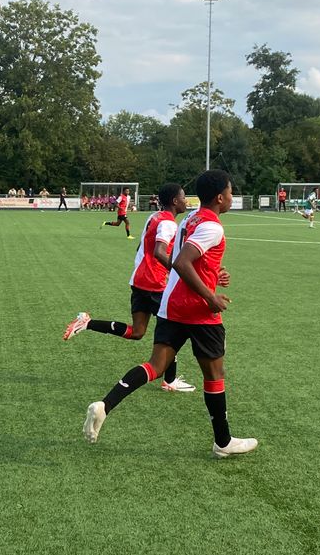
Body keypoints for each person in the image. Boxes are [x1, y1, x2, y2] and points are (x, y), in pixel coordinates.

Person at [81, 170, 257, 458]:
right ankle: (223, 442)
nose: (231, 196)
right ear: (219, 197)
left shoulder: (189, 219)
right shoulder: (213, 226)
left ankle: (105, 405)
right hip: (198, 311)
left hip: (170, 306)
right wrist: (210, 295)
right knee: (215, 374)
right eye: (229, 191)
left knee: (155, 366)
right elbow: (184, 262)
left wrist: (214, 274)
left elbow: (186, 260)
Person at [64, 183, 195, 392]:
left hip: (140, 281)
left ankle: (87, 323)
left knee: (137, 332)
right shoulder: (169, 223)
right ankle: (169, 381)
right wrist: (177, 270)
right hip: (155, 283)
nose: (186, 201)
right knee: (171, 331)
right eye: (183, 197)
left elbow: (141, 246)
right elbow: (160, 251)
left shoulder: (154, 217)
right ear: (174, 201)